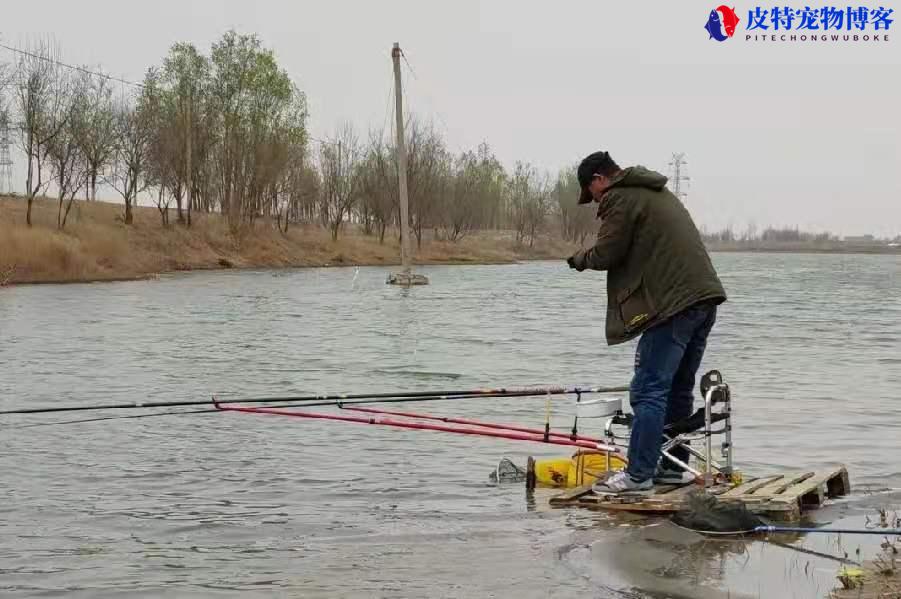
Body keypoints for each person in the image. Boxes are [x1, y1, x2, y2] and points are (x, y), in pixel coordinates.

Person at [566, 150, 727, 495]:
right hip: (704, 299)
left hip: (673, 305)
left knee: (648, 389)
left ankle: (638, 476)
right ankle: (671, 469)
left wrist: (579, 258)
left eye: (591, 193)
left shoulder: (620, 197)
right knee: (678, 387)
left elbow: (608, 252)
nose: (595, 202)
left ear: (598, 180)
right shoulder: (655, 192)